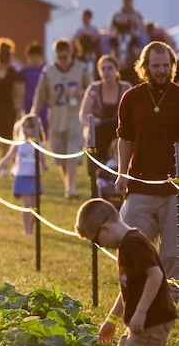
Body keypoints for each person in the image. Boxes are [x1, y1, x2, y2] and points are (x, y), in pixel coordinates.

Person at [74, 198, 176, 346]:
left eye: (96, 240)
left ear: (106, 228)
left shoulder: (135, 243)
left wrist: (140, 312)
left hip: (153, 318)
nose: (100, 245)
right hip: (141, 318)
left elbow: (156, 276)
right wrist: (111, 320)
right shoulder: (126, 245)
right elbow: (126, 289)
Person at [114, 41, 179, 298]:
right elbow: (124, 139)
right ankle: (134, 293)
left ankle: (170, 300)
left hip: (174, 188)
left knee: (173, 251)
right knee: (131, 242)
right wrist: (121, 173)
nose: (162, 70)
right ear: (145, 67)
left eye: (166, 65)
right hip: (139, 183)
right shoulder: (132, 98)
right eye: (156, 65)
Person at [32, 38, 91, 199]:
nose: (63, 61)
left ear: (71, 54)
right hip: (56, 117)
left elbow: (92, 90)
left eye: (65, 57)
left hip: (75, 116)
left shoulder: (82, 69)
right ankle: (68, 184)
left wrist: (80, 92)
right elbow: (40, 96)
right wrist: (33, 114)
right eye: (59, 57)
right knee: (60, 155)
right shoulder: (48, 72)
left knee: (72, 151)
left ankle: (70, 187)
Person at [79, 55, 132, 195]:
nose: (106, 72)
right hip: (99, 135)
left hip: (119, 134)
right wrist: (92, 122)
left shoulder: (126, 88)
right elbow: (83, 115)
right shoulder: (94, 89)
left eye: (110, 68)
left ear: (116, 70)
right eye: (103, 69)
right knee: (96, 169)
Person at [0, 114, 48, 235]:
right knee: (27, 204)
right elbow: (7, 158)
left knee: (34, 205)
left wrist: (45, 164)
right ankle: (27, 229)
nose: (25, 130)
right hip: (22, 176)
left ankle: (32, 228)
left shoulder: (39, 145)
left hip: (34, 177)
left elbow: (43, 160)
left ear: (35, 129)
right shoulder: (18, 144)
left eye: (28, 127)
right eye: (23, 127)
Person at [109, 0, 145, 83]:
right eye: (125, 0)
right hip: (119, 39)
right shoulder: (116, 15)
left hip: (133, 40)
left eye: (129, 0)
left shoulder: (137, 15)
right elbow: (111, 29)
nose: (127, 2)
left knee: (140, 51)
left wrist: (134, 34)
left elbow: (141, 30)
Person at [20, 42, 48, 135]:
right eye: (31, 57)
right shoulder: (24, 72)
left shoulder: (47, 70)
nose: (34, 60)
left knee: (45, 134)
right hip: (29, 107)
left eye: (36, 57)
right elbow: (21, 90)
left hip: (45, 108)